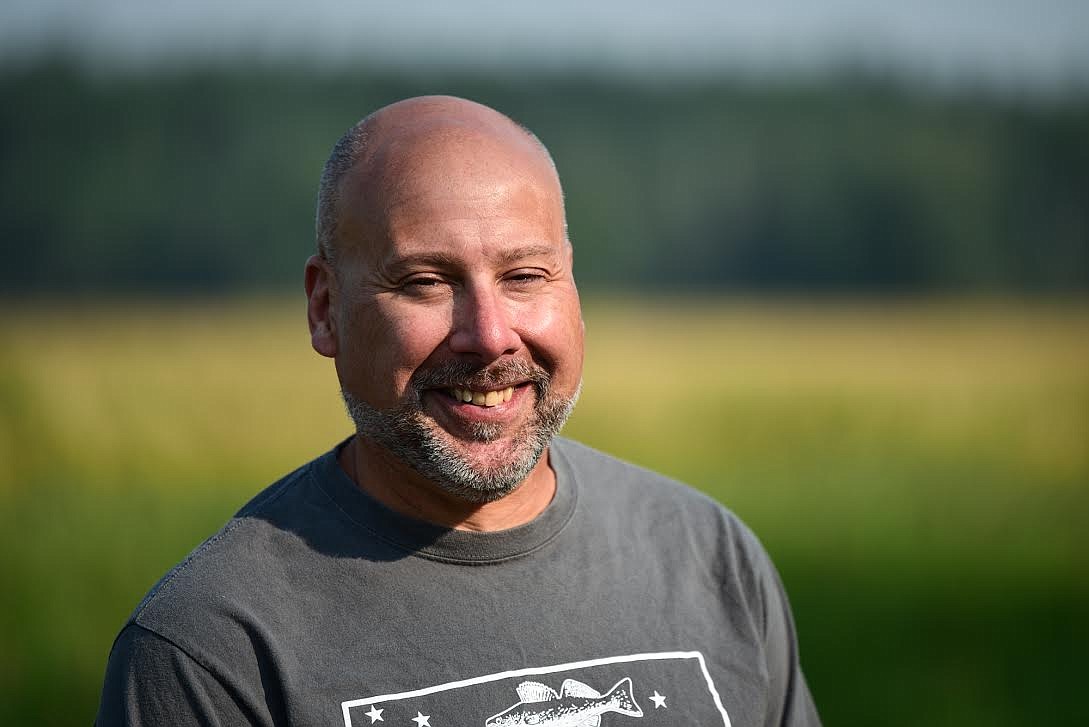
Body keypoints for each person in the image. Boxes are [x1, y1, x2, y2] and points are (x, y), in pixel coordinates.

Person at [96, 96, 820, 727]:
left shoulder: (710, 558)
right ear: (325, 309)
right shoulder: (211, 648)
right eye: (425, 280)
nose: (489, 334)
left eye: (524, 275)